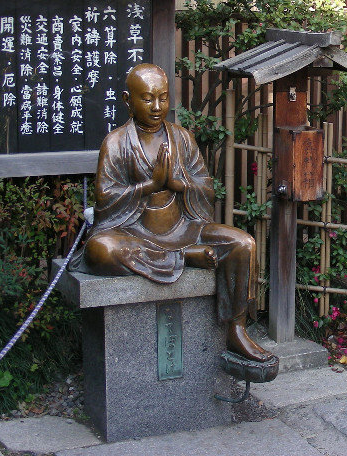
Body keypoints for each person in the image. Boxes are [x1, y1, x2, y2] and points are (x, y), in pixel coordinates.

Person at [74, 63, 271, 363]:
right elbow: (106, 201)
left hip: (183, 226)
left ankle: (237, 329)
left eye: (163, 98)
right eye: (148, 98)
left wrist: (180, 185)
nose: (157, 107)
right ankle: (186, 257)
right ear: (128, 101)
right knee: (100, 250)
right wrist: (149, 185)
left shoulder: (181, 138)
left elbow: (206, 188)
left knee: (243, 244)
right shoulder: (115, 143)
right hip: (134, 231)